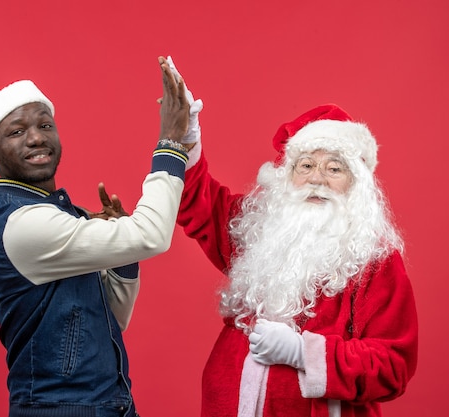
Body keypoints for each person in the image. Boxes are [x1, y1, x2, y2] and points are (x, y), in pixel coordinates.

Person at [169, 63, 418, 417]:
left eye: (334, 168)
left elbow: (394, 364)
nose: (317, 179)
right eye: (305, 166)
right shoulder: (261, 229)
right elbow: (199, 203)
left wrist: (304, 353)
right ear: (287, 176)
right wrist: (187, 140)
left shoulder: (376, 260)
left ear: (356, 184)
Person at [0, 56, 190, 417]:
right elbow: (154, 235)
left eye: (45, 125)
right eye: (17, 131)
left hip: (111, 404)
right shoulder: (25, 224)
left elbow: (109, 318)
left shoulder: (59, 214)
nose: (36, 137)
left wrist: (123, 254)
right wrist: (172, 142)